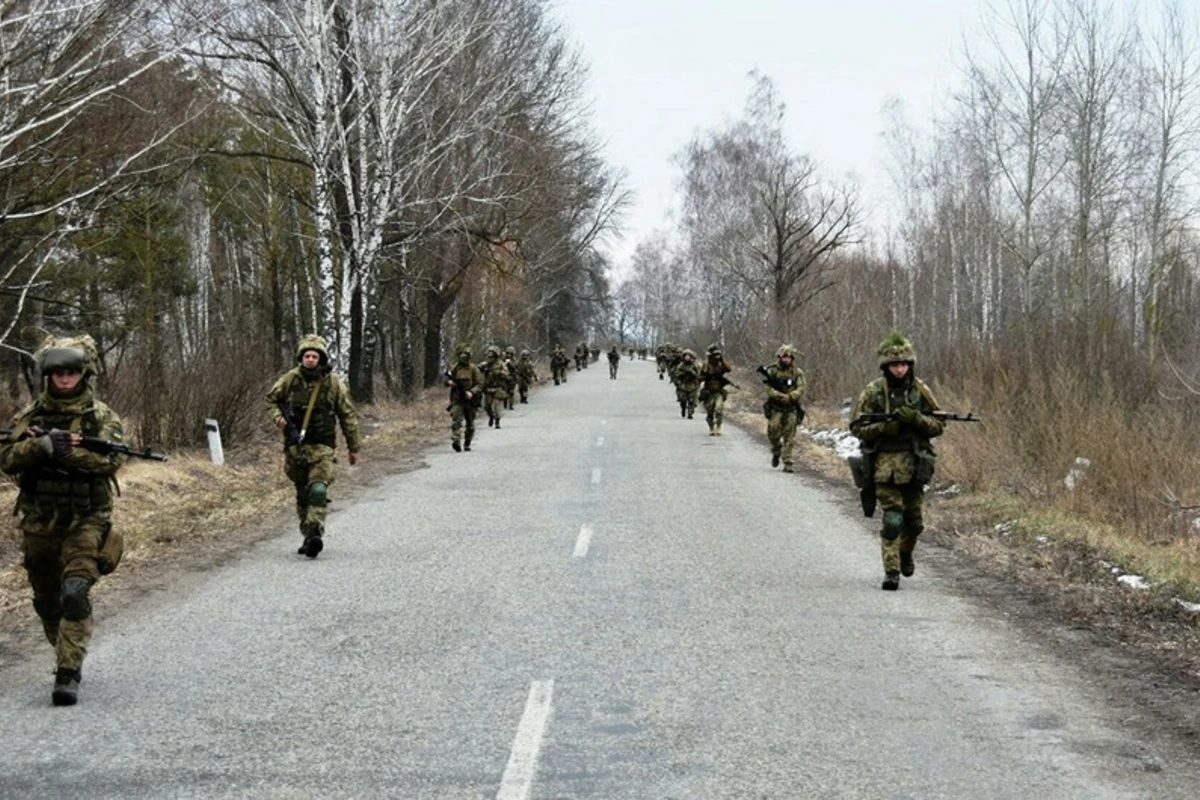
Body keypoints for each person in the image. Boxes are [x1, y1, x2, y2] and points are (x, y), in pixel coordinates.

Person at [0, 335, 125, 705]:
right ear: (48, 376)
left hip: (87, 518)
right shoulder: (30, 416)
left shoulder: (100, 416)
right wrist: (41, 447)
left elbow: (111, 462)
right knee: (46, 600)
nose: (65, 379)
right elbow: (7, 459)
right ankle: (65, 648)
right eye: (58, 373)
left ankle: (68, 671)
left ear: (83, 375)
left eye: (71, 372)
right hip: (39, 520)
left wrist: (69, 453)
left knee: (74, 592)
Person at [850, 333, 945, 590]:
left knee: (914, 523)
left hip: (915, 465)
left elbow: (938, 425)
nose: (899, 369)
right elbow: (857, 427)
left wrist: (916, 419)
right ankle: (891, 571)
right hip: (884, 467)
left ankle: (905, 553)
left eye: (903, 364)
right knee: (893, 520)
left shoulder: (920, 390)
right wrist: (885, 428)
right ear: (886, 366)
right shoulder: (873, 391)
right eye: (894, 365)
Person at [266, 334, 361, 559]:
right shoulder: (290, 379)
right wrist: (277, 417)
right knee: (302, 493)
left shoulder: (333, 383)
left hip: (323, 446)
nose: (310, 359)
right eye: (307, 355)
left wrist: (353, 446)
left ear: (321, 358)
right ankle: (308, 536)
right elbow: (270, 400)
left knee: (318, 489)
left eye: (314, 356)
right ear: (301, 358)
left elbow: (347, 415)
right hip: (295, 448)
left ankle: (315, 530)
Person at [762, 344, 806, 473]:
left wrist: (791, 396)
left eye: (789, 357)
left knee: (790, 435)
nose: (786, 359)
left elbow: (801, 387)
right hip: (776, 407)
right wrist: (780, 396)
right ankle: (776, 451)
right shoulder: (772, 371)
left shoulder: (797, 372)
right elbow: (768, 388)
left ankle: (788, 462)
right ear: (780, 357)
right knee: (773, 432)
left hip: (791, 407)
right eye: (784, 357)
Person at [444, 343, 483, 451]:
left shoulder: (473, 369)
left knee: (470, 424)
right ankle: (456, 439)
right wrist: (449, 382)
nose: (464, 357)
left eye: (466, 355)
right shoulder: (454, 368)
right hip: (457, 399)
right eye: (462, 355)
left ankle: (467, 442)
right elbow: (445, 380)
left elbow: (480, 384)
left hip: (470, 401)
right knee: (456, 421)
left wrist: (471, 392)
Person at [698, 343, 733, 436]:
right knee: (710, 411)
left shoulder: (721, 365)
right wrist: (703, 375)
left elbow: (729, 369)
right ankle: (711, 427)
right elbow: (699, 378)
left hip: (719, 392)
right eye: (714, 356)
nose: (716, 358)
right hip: (708, 392)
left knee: (719, 409)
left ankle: (718, 426)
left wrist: (722, 360)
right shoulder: (706, 366)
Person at [479, 345, 511, 428]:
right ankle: (491, 417)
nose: (490, 357)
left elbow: (506, 373)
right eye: (489, 356)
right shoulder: (485, 364)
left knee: (497, 406)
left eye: (492, 356)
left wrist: (499, 373)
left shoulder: (501, 364)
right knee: (487, 406)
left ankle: (497, 421)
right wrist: (481, 369)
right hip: (488, 388)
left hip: (498, 388)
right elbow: (477, 370)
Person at [671, 349, 701, 419]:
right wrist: (683, 374)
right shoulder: (681, 366)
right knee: (683, 400)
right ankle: (683, 409)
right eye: (686, 356)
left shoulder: (695, 366)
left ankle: (690, 412)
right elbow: (677, 375)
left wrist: (692, 372)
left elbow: (698, 376)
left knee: (691, 400)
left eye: (688, 356)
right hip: (683, 385)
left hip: (692, 385)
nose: (687, 357)